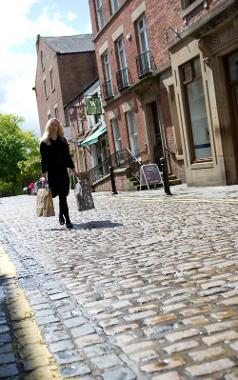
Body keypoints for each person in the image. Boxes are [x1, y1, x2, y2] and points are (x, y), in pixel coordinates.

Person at [40, 118, 79, 228]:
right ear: (49, 127)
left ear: (58, 127)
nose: (54, 127)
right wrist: (45, 177)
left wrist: (75, 172)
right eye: (52, 125)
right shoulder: (44, 143)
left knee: (63, 197)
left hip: (63, 173)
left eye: (56, 125)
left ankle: (66, 218)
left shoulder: (63, 141)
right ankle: (61, 215)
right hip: (52, 175)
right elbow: (44, 161)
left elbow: (67, 158)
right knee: (56, 196)